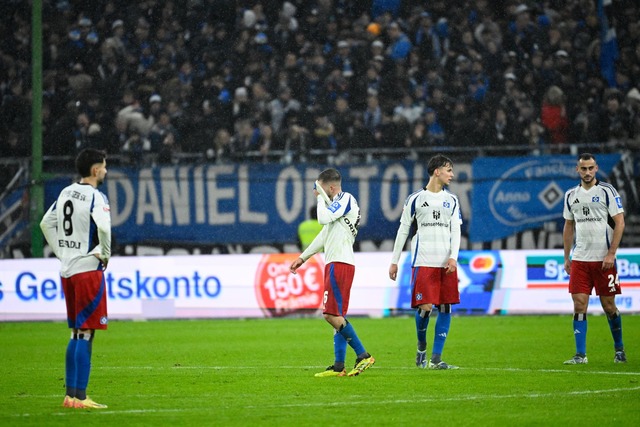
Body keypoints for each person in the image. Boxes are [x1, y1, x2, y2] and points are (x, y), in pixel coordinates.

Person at [40, 148, 112, 408]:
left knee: (75, 333)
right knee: (86, 333)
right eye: (103, 166)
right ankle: (80, 396)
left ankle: (70, 396)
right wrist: (105, 254)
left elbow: (46, 223)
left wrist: (61, 252)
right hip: (87, 270)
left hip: (68, 270)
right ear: (95, 170)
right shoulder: (96, 196)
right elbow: (103, 227)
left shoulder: (65, 192)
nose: (105, 170)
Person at [289, 168, 375, 377]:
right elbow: (323, 234)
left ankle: (363, 355)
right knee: (337, 315)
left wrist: (320, 199)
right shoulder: (336, 210)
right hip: (335, 262)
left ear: (331, 188)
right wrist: (303, 257)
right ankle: (339, 365)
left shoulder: (346, 198)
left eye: (319, 189)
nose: (316, 193)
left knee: (330, 314)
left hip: (341, 262)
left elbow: (322, 219)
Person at [388, 154, 462, 370]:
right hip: (423, 260)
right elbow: (403, 230)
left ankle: (436, 359)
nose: (452, 174)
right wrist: (394, 261)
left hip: (445, 263)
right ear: (437, 171)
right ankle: (422, 347)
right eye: (449, 170)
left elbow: (455, 230)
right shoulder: (415, 199)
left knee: (446, 307)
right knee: (426, 307)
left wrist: (453, 257)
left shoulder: (452, 200)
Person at [562, 153, 626, 365]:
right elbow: (568, 226)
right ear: (577, 170)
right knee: (579, 305)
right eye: (583, 169)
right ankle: (580, 355)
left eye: (590, 168)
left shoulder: (607, 191)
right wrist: (566, 256)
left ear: (596, 168)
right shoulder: (571, 195)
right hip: (580, 259)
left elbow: (620, 223)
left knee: (609, 306)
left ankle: (619, 350)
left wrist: (611, 253)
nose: (587, 172)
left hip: (603, 260)